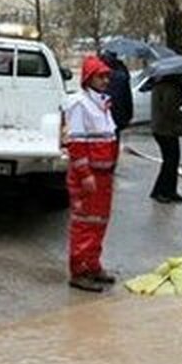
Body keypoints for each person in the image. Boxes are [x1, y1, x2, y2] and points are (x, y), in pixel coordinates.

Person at [65, 56, 119, 292]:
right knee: (85, 224)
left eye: (107, 76)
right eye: (101, 76)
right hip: (88, 175)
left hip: (104, 174)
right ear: (88, 78)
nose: (106, 80)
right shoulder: (80, 104)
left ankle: (93, 265)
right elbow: (76, 143)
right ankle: (79, 271)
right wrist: (85, 174)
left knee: (99, 222)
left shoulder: (102, 103)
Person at [149, 73, 182, 204]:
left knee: (172, 161)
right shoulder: (170, 88)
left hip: (162, 129)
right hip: (166, 129)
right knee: (170, 161)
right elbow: (169, 110)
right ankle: (161, 191)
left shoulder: (161, 86)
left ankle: (169, 190)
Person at [99, 49, 133, 136]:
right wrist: (128, 116)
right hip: (118, 115)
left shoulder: (99, 76)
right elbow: (127, 98)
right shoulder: (122, 75)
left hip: (104, 115)